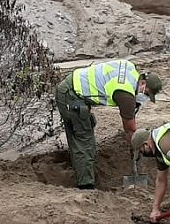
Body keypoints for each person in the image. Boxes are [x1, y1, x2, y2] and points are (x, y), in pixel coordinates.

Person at [55, 59, 163, 189]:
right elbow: (130, 129)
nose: (145, 97)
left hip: (74, 86)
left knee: (83, 132)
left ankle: (80, 172)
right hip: (70, 95)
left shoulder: (130, 69)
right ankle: (86, 186)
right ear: (143, 83)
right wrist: (136, 148)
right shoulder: (125, 93)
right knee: (84, 141)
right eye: (146, 93)